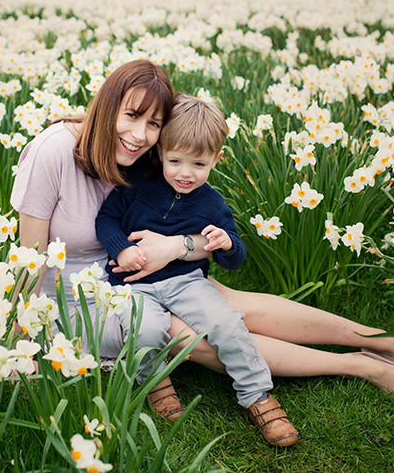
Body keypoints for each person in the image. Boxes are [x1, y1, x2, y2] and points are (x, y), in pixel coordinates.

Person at [10, 60, 394, 440]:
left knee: (238, 306)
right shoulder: (53, 152)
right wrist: (14, 342)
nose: (140, 135)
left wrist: (178, 247)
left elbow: (192, 227)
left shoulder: (145, 155)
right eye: (131, 116)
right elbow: (29, 262)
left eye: (154, 124)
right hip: (78, 298)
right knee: (182, 334)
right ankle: (364, 367)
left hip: (154, 269)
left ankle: (393, 345)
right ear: (108, 105)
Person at [95, 93, 298, 447]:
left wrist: (226, 243)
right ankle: (157, 383)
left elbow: (234, 258)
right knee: (145, 329)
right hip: (132, 283)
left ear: (216, 160)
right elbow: (106, 219)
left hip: (187, 283)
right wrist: (121, 248)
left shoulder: (212, 203)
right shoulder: (138, 184)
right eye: (176, 161)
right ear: (160, 154)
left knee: (229, 325)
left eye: (199, 165)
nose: (186, 174)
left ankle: (258, 397)